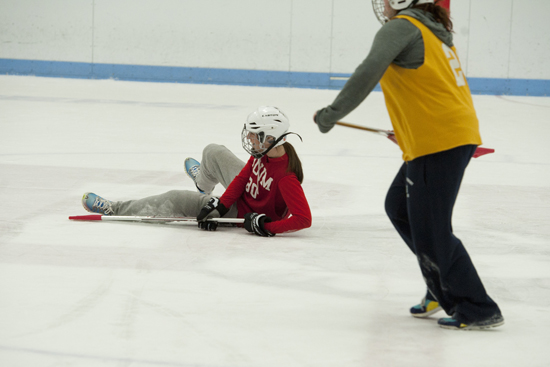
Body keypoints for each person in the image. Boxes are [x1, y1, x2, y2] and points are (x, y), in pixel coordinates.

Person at [313, 0, 503, 330]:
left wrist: (331, 114)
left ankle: (477, 306)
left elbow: (367, 71)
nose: (382, 4)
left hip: (438, 142)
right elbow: (433, 90)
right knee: (399, 206)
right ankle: (439, 285)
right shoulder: (430, 30)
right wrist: (406, 129)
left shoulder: (401, 27)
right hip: (442, 137)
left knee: (432, 229)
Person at [82, 106, 312, 237]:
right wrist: (219, 206)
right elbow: (243, 177)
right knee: (213, 151)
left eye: (255, 134)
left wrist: (264, 226)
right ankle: (203, 184)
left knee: (175, 198)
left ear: (270, 137)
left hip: (244, 211)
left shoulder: (286, 178)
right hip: (247, 194)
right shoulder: (264, 152)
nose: (250, 139)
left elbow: (304, 219)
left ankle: (115, 209)